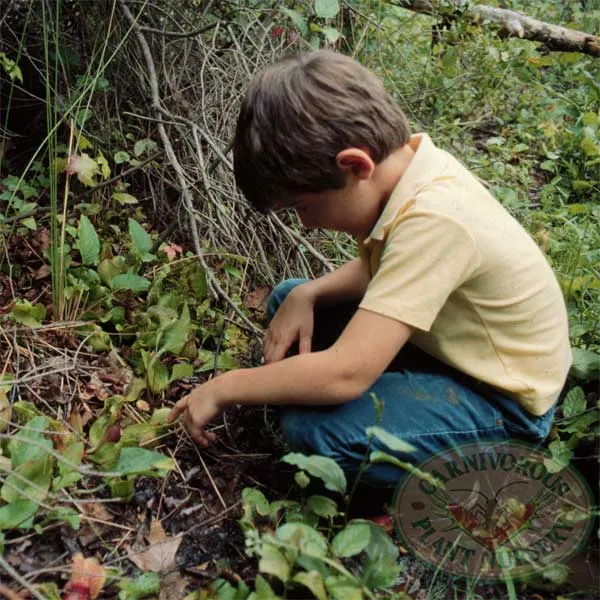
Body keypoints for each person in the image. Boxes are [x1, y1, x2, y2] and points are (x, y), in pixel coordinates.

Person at [167, 51, 572, 488]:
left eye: (304, 206)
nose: (305, 223)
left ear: (355, 165)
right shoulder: (411, 167)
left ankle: (480, 459)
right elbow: (392, 266)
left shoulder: (438, 218)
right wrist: (311, 294)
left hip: (503, 404)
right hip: (450, 346)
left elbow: (348, 373)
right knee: (291, 298)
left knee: (316, 434)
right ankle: (388, 390)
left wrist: (225, 387)